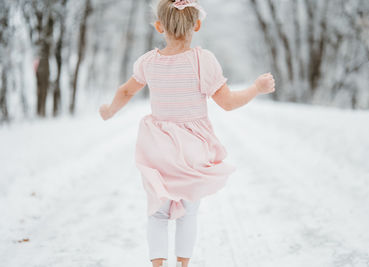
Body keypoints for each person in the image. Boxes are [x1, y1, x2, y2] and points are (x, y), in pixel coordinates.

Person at [98, 0, 275, 266]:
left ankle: (158, 265)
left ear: (159, 27)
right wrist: (256, 89)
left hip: (157, 148)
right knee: (188, 212)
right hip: (193, 149)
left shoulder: (148, 62)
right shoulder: (203, 61)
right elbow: (227, 102)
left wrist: (109, 111)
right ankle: (183, 264)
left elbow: (125, 91)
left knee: (157, 212)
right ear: (198, 25)